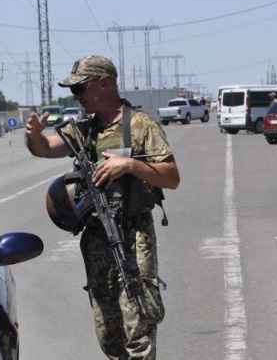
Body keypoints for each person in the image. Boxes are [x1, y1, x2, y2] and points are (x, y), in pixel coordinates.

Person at [25, 55, 180, 359]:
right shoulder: (85, 129)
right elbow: (44, 149)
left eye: (80, 89)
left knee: (138, 329)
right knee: (109, 334)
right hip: (97, 239)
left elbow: (172, 177)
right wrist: (32, 136)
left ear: (104, 84)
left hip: (133, 237)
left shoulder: (140, 125)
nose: (77, 97)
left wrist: (131, 165)